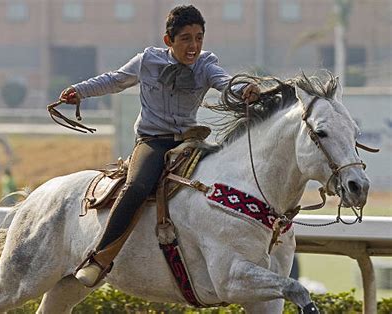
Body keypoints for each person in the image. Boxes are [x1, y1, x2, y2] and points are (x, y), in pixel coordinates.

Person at [59, 5, 260, 287]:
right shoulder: (147, 61)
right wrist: (79, 91)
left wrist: (244, 91)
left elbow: (225, 83)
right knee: (137, 187)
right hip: (153, 142)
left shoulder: (206, 63)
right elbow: (115, 80)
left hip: (191, 142)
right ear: (169, 41)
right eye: (186, 39)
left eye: (199, 38)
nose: (194, 46)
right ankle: (99, 259)